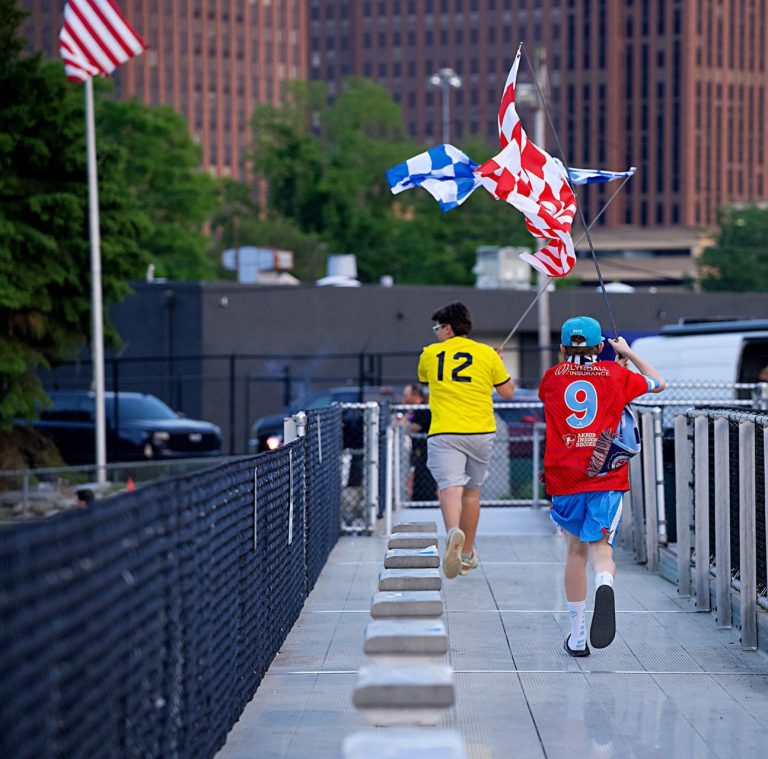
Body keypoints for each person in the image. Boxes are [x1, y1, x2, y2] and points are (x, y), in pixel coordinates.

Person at [538, 316, 665, 657]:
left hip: (564, 476)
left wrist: (598, 364)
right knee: (601, 550)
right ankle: (604, 582)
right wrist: (626, 356)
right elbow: (657, 382)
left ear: (562, 347)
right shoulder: (616, 374)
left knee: (574, 552)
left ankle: (577, 636)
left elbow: (569, 382)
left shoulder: (550, 378)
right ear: (601, 346)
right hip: (605, 475)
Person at [418, 302, 516, 578]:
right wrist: (494, 362)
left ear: (448, 328)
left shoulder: (430, 353)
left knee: (450, 488)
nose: (436, 333)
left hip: (445, 430)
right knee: (472, 493)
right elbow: (508, 392)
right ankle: (467, 554)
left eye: (437, 328)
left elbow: (426, 377)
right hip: (481, 431)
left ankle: (452, 533)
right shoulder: (486, 353)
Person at [402, 383, 438, 502]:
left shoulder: (423, 409)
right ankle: (417, 499)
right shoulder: (414, 411)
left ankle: (427, 500)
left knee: (425, 478)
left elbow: (416, 426)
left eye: (406, 395)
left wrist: (403, 425)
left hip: (426, 452)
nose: (404, 398)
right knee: (416, 475)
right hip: (418, 452)